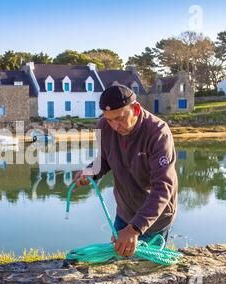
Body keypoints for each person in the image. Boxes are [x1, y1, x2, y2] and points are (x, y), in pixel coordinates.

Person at [74, 84, 178, 258]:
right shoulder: (104, 127)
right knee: (118, 262)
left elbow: (162, 188)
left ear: (135, 109)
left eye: (120, 118)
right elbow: (105, 159)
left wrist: (134, 229)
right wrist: (91, 172)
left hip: (154, 218)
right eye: (109, 119)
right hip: (125, 213)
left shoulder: (158, 133)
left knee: (146, 270)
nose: (114, 126)